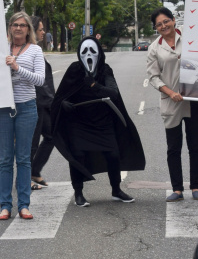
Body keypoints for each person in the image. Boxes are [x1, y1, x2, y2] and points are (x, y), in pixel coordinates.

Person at [51, 35, 144, 207]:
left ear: (99, 53)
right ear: (79, 53)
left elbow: (113, 93)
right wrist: (64, 104)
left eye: (92, 50)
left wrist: (94, 85)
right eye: (84, 50)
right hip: (78, 122)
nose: (88, 54)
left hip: (102, 122)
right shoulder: (74, 70)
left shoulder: (105, 70)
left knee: (113, 154)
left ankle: (116, 189)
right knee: (77, 155)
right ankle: (78, 192)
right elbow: (59, 97)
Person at [146, 7, 198, 201]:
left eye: (166, 21)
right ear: (156, 28)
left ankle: (195, 186)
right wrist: (170, 92)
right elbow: (153, 77)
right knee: (173, 147)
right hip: (171, 101)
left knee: (195, 145)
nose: (163, 26)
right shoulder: (155, 48)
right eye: (159, 25)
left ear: (173, 20)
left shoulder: (190, 38)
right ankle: (177, 189)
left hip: (193, 100)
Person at [0, 12, 44, 220]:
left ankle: (24, 205)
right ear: (9, 27)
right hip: (3, 107)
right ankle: (5, 205)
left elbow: (40, 80)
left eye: (23, 25)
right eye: (15, 24)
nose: (18, 28)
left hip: (26, 107)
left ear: (28, 29)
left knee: (23, 159)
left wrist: (17, 67)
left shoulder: (35, 51)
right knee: (5, 159)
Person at [30, 16, 55, 189]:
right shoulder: (29, 51)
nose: (43, 32)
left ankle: (35, 171)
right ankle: (25, 180)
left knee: (51, 136)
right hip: (35, 104)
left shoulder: (36, 49)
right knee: (31, 144)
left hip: (44, 104)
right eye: (40, 29)